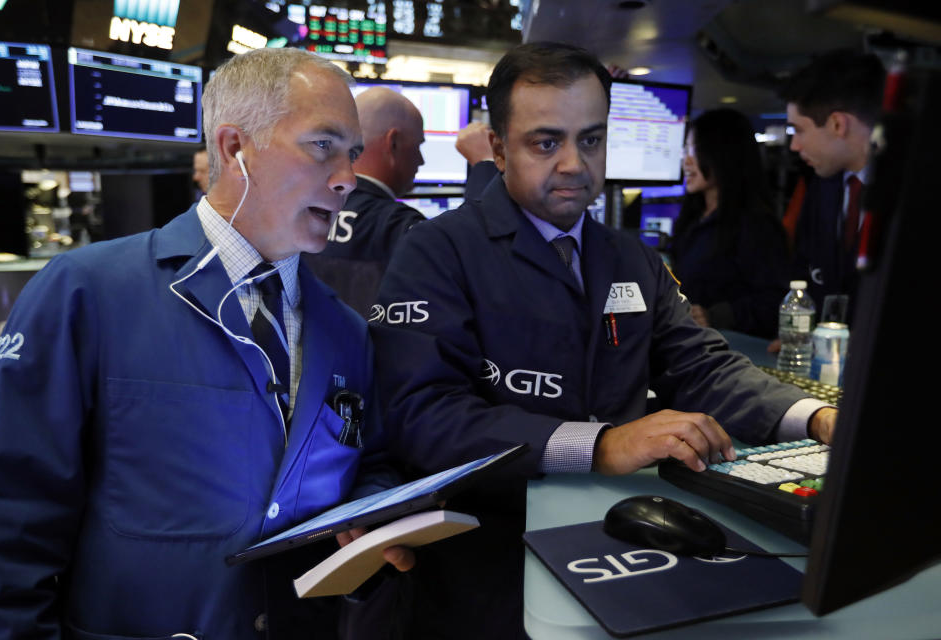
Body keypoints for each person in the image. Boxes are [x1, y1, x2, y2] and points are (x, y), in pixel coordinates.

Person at [370, 42, 837, 639]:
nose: (573, 163)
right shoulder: (436, 252)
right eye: (546, 142)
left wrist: (816, 417)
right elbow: (423, 414)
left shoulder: (630, 257)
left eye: (590, 140)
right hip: (489, 554)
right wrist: (600, 445)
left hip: (621, 539)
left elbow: (701, 367)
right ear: (497, 147)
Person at [0, 47, 413, 639]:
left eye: (354, 154)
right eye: (322, 146)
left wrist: (371, 510)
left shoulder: (345, 330)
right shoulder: (87, 292)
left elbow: (373, 460)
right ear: (236, 148)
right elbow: (5, 517)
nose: (345, 179)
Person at [302, 87, 426, 317]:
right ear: (393, 143)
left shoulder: (302, 216)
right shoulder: (403, 228)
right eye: (418, 146)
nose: (421, 160)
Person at [781, 49, 886, 318]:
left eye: (799, 130)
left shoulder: (911, 193)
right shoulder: (822, 188)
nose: (794, 145)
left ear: (838, 124)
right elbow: (804, 270)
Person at [669, 108, 790, 338]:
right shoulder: (694, 217)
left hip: (732, 354)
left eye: (694, 150)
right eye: (686, 149)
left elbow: (773, 302)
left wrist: (715, 316)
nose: (686, 160)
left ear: (722, 154)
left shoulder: (755, 225)